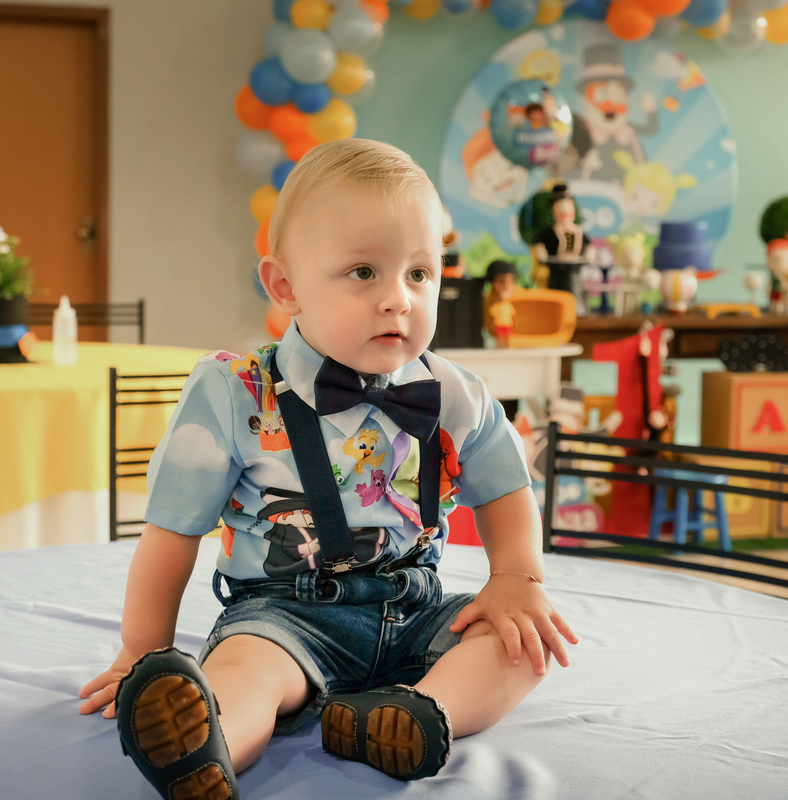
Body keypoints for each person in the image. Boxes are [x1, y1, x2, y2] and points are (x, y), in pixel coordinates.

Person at [78, 138, 578, 800]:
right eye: (364, 272)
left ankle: (415, 714)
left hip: (416, 609)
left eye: (420, 273)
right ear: (285, 287)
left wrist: (515, 577)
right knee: (246, 673)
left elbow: (506, 489)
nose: (398, 299)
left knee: (520, 647)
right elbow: (172, 532)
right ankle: (206, 749)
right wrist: (141, 650)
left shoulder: (454, 393)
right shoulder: (235, 393)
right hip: (284, 617)